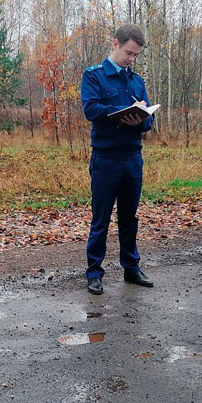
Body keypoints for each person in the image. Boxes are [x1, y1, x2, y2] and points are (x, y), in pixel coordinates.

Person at [80, 23, 155, 295]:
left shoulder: (137, 81)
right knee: (100, 218)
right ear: (115, 44)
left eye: (135, 55)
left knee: (129, 218)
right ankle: (94, 273)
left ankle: (131, 268)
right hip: (106, 159)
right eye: (128, 52)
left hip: (133, 158)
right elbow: (91, 109)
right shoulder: (94, 76)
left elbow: (149, 119)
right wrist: (123, 112)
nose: (131, 59)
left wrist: (143, 118)